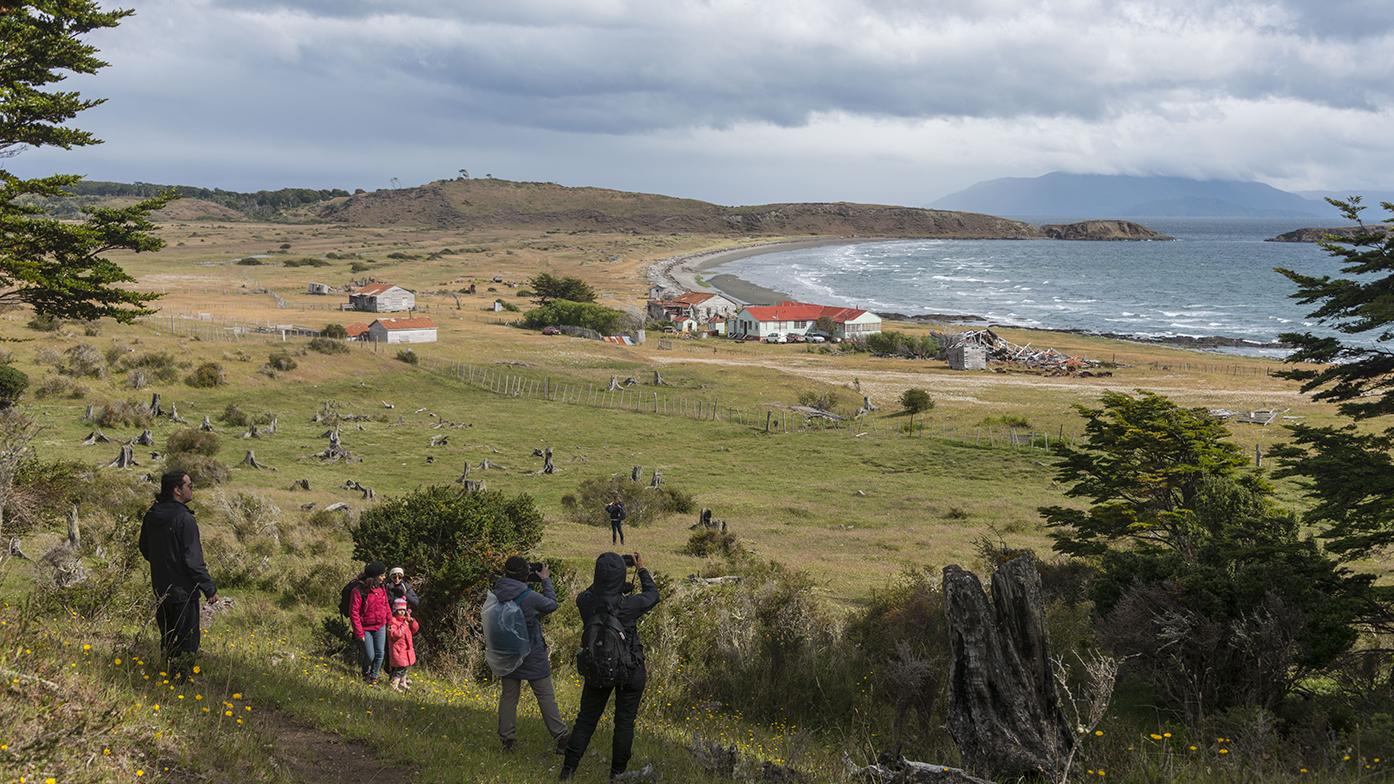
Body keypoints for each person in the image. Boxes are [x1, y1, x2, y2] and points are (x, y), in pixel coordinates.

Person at [560, 552, 660, 781]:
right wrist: (641, 569)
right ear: (620, 576)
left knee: (586, 719)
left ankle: (568, 770)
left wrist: (605, 577)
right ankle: (617, 774)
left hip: (598, 666)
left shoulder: (586, 603)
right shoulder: (629, 605)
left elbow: (590, 592)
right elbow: (653, 595)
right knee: (624, 722)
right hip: (630, 667)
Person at [139, 471, 218, 663]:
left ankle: (166, 676)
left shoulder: (151, 515)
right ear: (177, 490)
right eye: (189, 486)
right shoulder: (185, 519)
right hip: (184, 591)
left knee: (168, 636)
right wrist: (209, 588)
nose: (192, 490)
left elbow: (144, 548)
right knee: (186, 641)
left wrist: (162, 563)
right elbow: (193, 560)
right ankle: (181, 681)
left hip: (161, 587)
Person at [492, 556, 569, 753]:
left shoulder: (497, 591)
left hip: (507, 651)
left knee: (509, 696)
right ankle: (561, 736)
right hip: (532, 651)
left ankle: (507, 740)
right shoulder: (530, 597)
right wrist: (545, 580)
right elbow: (551, 604)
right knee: (544, 695)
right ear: (525, 574)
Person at [349, 560, 390, 684]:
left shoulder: (381, 588)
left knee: (380, 654)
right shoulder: (358, 591)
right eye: (382, 575)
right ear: (375, 576)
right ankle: (365, 672)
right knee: (370, 655)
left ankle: (374, 677)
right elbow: (354, 613)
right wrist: (359, 633)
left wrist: (390, 621)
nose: (384, 577)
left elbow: (386, 604)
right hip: (365, 628)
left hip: (380, 626)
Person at [386, 597, 419, 692]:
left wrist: (412, 621)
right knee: (399, 669)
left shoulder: (406, 620)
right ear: (395, 610)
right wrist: (404, 624)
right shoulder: (393, 622)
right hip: (398, 650)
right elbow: (395, 635)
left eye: (403, 610)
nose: (402, 612)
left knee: (405, 667)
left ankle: (402, 682)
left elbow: (415, 629)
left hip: (406, 649)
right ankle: (394, 684)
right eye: (399, 610)